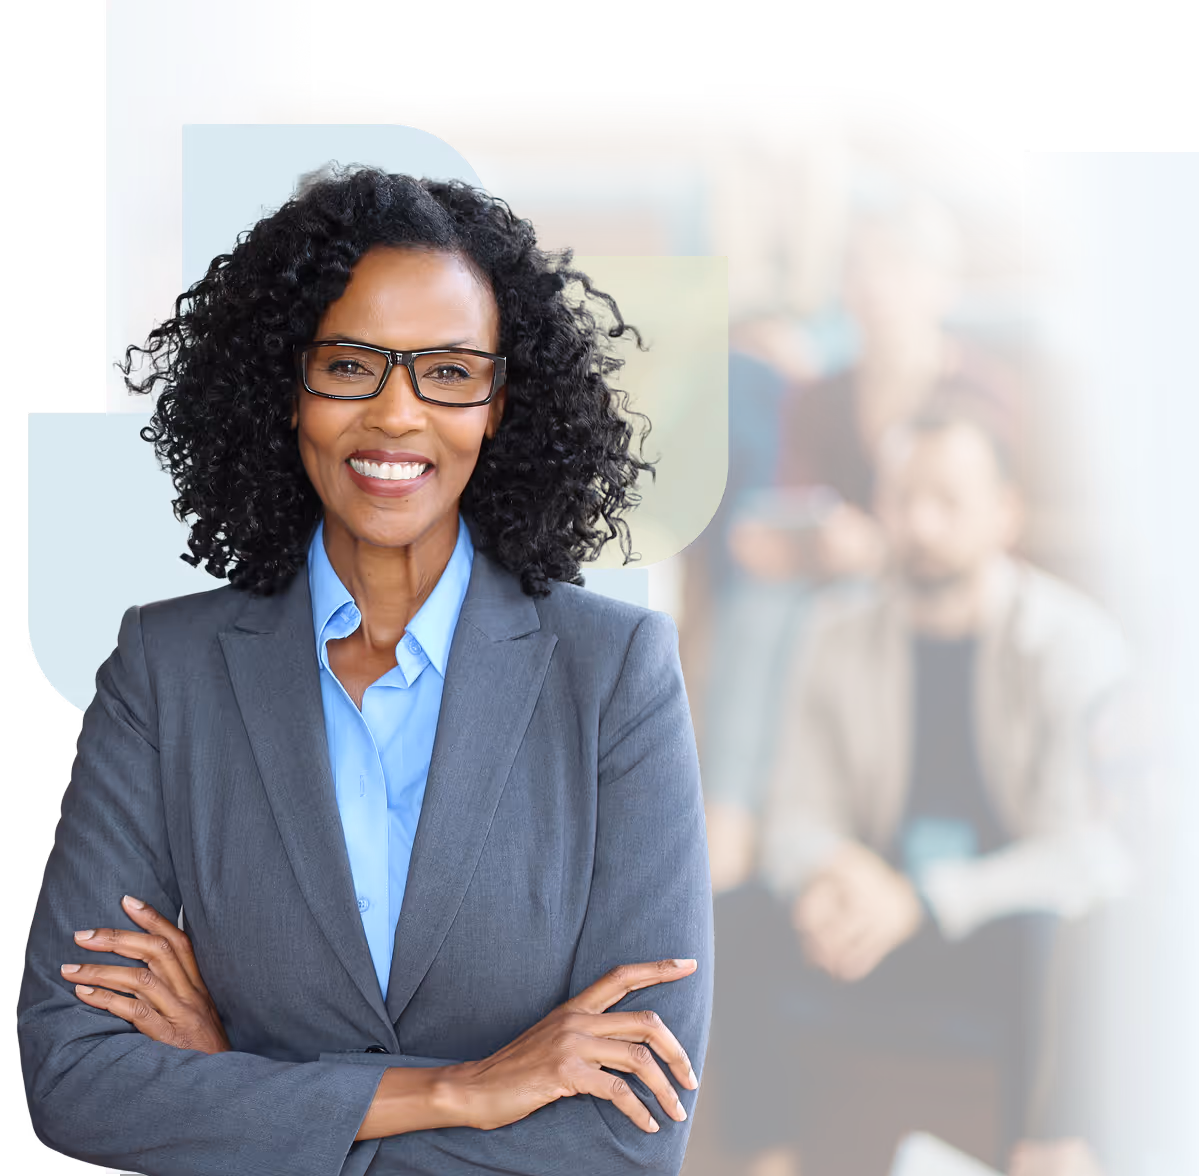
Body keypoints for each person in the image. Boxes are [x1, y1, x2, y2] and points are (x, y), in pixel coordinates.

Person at [18, 167, 714, 1175]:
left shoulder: (616, 678)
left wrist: (241, 1090)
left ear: (499, 403)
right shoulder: (162, 671)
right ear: (286, 384)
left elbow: (626, 1138)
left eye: (448, 371)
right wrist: (456, 1092)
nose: (395, 416)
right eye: (350, 366)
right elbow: (73, 1077)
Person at [715, 406, 1130, 1176]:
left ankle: (1042, 1159)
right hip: (865, 924)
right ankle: (767, 1162)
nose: (921, 524)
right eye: (901, 499)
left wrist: (918, 899)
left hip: (988, 927)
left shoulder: (1071, 645)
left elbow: (1081, 855)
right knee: (731, 920)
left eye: (947, 501)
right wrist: (829, 876)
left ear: (1004, 513)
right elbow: (796, 816)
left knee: (1065, 945)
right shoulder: (834, 631)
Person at [704, 190, 1022, 895]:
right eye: (860, 268)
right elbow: (797, 508)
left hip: (928, 578)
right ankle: (726, 820)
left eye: (897, 268)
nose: (874, 285)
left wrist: (875, 547)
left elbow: (982, 531)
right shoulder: (822, 397)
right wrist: (775, 540)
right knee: (761, 599)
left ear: (941, 286)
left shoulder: (978, 391)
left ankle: (781, 828)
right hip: (828, 579)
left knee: (827, 609)